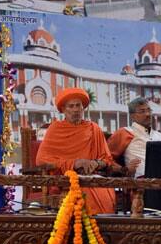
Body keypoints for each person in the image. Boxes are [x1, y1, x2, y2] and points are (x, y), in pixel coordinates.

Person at [35, 87, 117, 215]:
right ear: (63, 109)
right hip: (65, 179)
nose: (75, 110)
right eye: (71, 106)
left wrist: (95, 163)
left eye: (78, 105)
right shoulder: (55, 128)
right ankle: (84, 231)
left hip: (93, 177)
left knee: (102, 187)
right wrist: (75, 163)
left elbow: (106, 159)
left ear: (83, 108)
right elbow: (41, 160)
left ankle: (103, 230)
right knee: (84, 190)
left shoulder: (93, 128)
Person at [107, 97, 161, 178]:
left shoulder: (160, 136)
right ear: (132, 116)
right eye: (142, 111)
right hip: (141, 183)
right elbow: (105, 158)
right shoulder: (125, 132)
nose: (147, 114)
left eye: (149, 110)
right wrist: (123, 169)